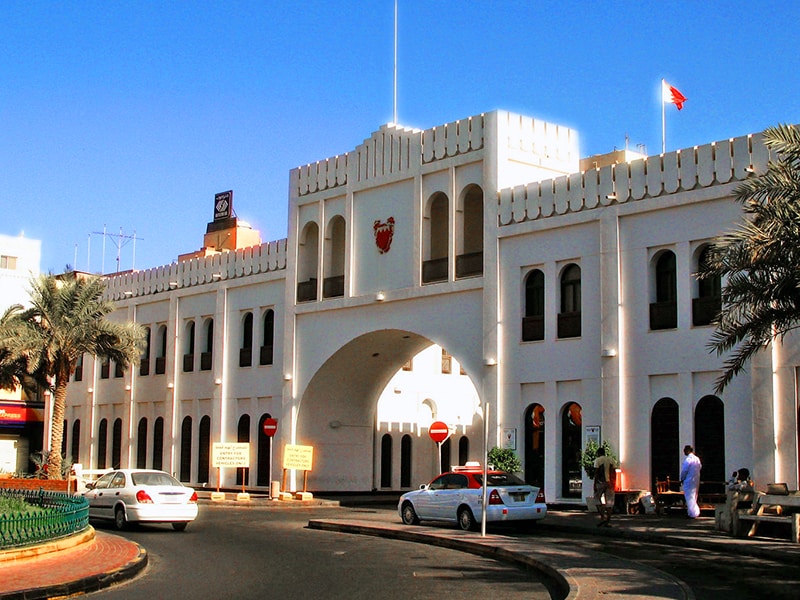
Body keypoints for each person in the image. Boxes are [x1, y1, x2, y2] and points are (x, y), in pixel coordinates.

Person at [593, 447, 616, 526]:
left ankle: (603, 515)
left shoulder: (598, 460)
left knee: (596, 498)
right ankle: (608, 520)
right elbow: (614, 472)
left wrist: (595, 484)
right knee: (609, 501)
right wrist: (613, 483)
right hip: (610, 483)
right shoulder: (611, 460)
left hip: (601, 482)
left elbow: (596, 473)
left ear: (598, 453)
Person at [680, 445, 702, 518]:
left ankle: (693, 513)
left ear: (688, 450)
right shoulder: (697, 459)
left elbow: (684, 470)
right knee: (694, 496)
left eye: (685, 450)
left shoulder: (688, 459)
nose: (684, 451)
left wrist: (682, 478)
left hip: (689, 481)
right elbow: (700, 467)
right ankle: (691, 512)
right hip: (695, 480)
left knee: (689, 497)